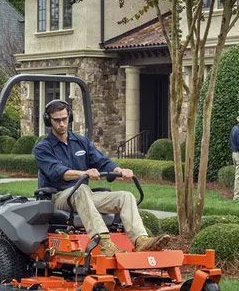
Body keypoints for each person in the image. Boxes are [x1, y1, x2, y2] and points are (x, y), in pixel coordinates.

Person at [34, 100, 170, 257]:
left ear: (69, 118)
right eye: (57, 120)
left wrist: (119, 170)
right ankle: (104, 243)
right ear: (48, 121)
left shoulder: (81, 142)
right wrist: (84, 173)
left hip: (84, 196)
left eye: (64, 119)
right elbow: (56, 171)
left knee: (125, 197)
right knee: (82, 189)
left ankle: (141, 240)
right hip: (59, 197)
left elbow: (102, 161)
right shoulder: (43, 147)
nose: (62, 124)